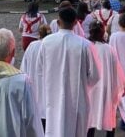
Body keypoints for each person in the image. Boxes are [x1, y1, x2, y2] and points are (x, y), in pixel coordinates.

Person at [38, 7, 100, 136]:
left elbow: (40, 69)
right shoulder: (86, 45)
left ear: (58, 22)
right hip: (78, 98)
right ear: (76, 22)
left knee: (55, 129)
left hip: (53, 95)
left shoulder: (46, 42)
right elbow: (95, 75)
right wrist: (83, 84)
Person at [88, 21, 125, 137]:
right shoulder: (109, 49)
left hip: (90, 88)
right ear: (103, 33)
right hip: (106, 86)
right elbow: (117, 69)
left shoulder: (86, 47)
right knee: (110, 113)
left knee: (90, 117)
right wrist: (122, 85)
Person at [20, 24, 51, 130]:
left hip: (33, 91)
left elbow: (23, 69)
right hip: (48, 94)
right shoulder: (52, 47)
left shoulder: (32, 46)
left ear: (39, 34)